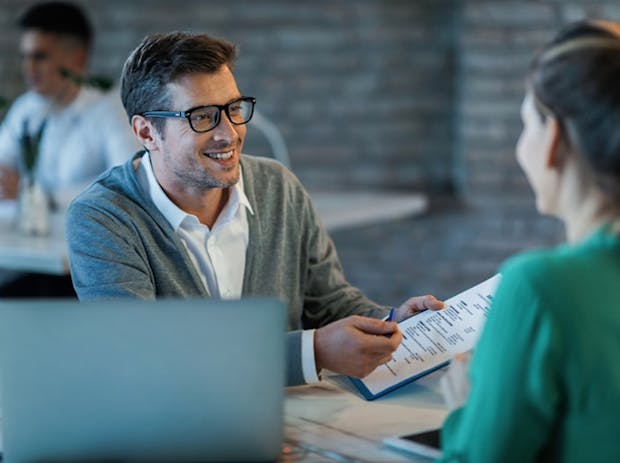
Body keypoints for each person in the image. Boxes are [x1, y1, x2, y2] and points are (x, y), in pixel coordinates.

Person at [65, 31, 444, 386]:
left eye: (233, 108)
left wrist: (392, 323)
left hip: (291, 424)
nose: (228, 132)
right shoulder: (103, 218)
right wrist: (312, 352)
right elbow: (141, 355)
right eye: (201, 117)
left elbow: (328, 301)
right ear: (147, 132)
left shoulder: (279, 187)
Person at [438, 20, 620, 462]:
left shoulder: (541, 286)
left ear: (553, 136)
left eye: (526, 125)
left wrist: (468, 408)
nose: (521, 147)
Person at [0, 1, 139, 208]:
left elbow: (128, 183)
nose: (28, 68)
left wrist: (42, 196)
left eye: (40, 57)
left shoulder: (113, 109)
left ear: (78, 59)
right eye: (25, 56)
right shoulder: (25, 109)